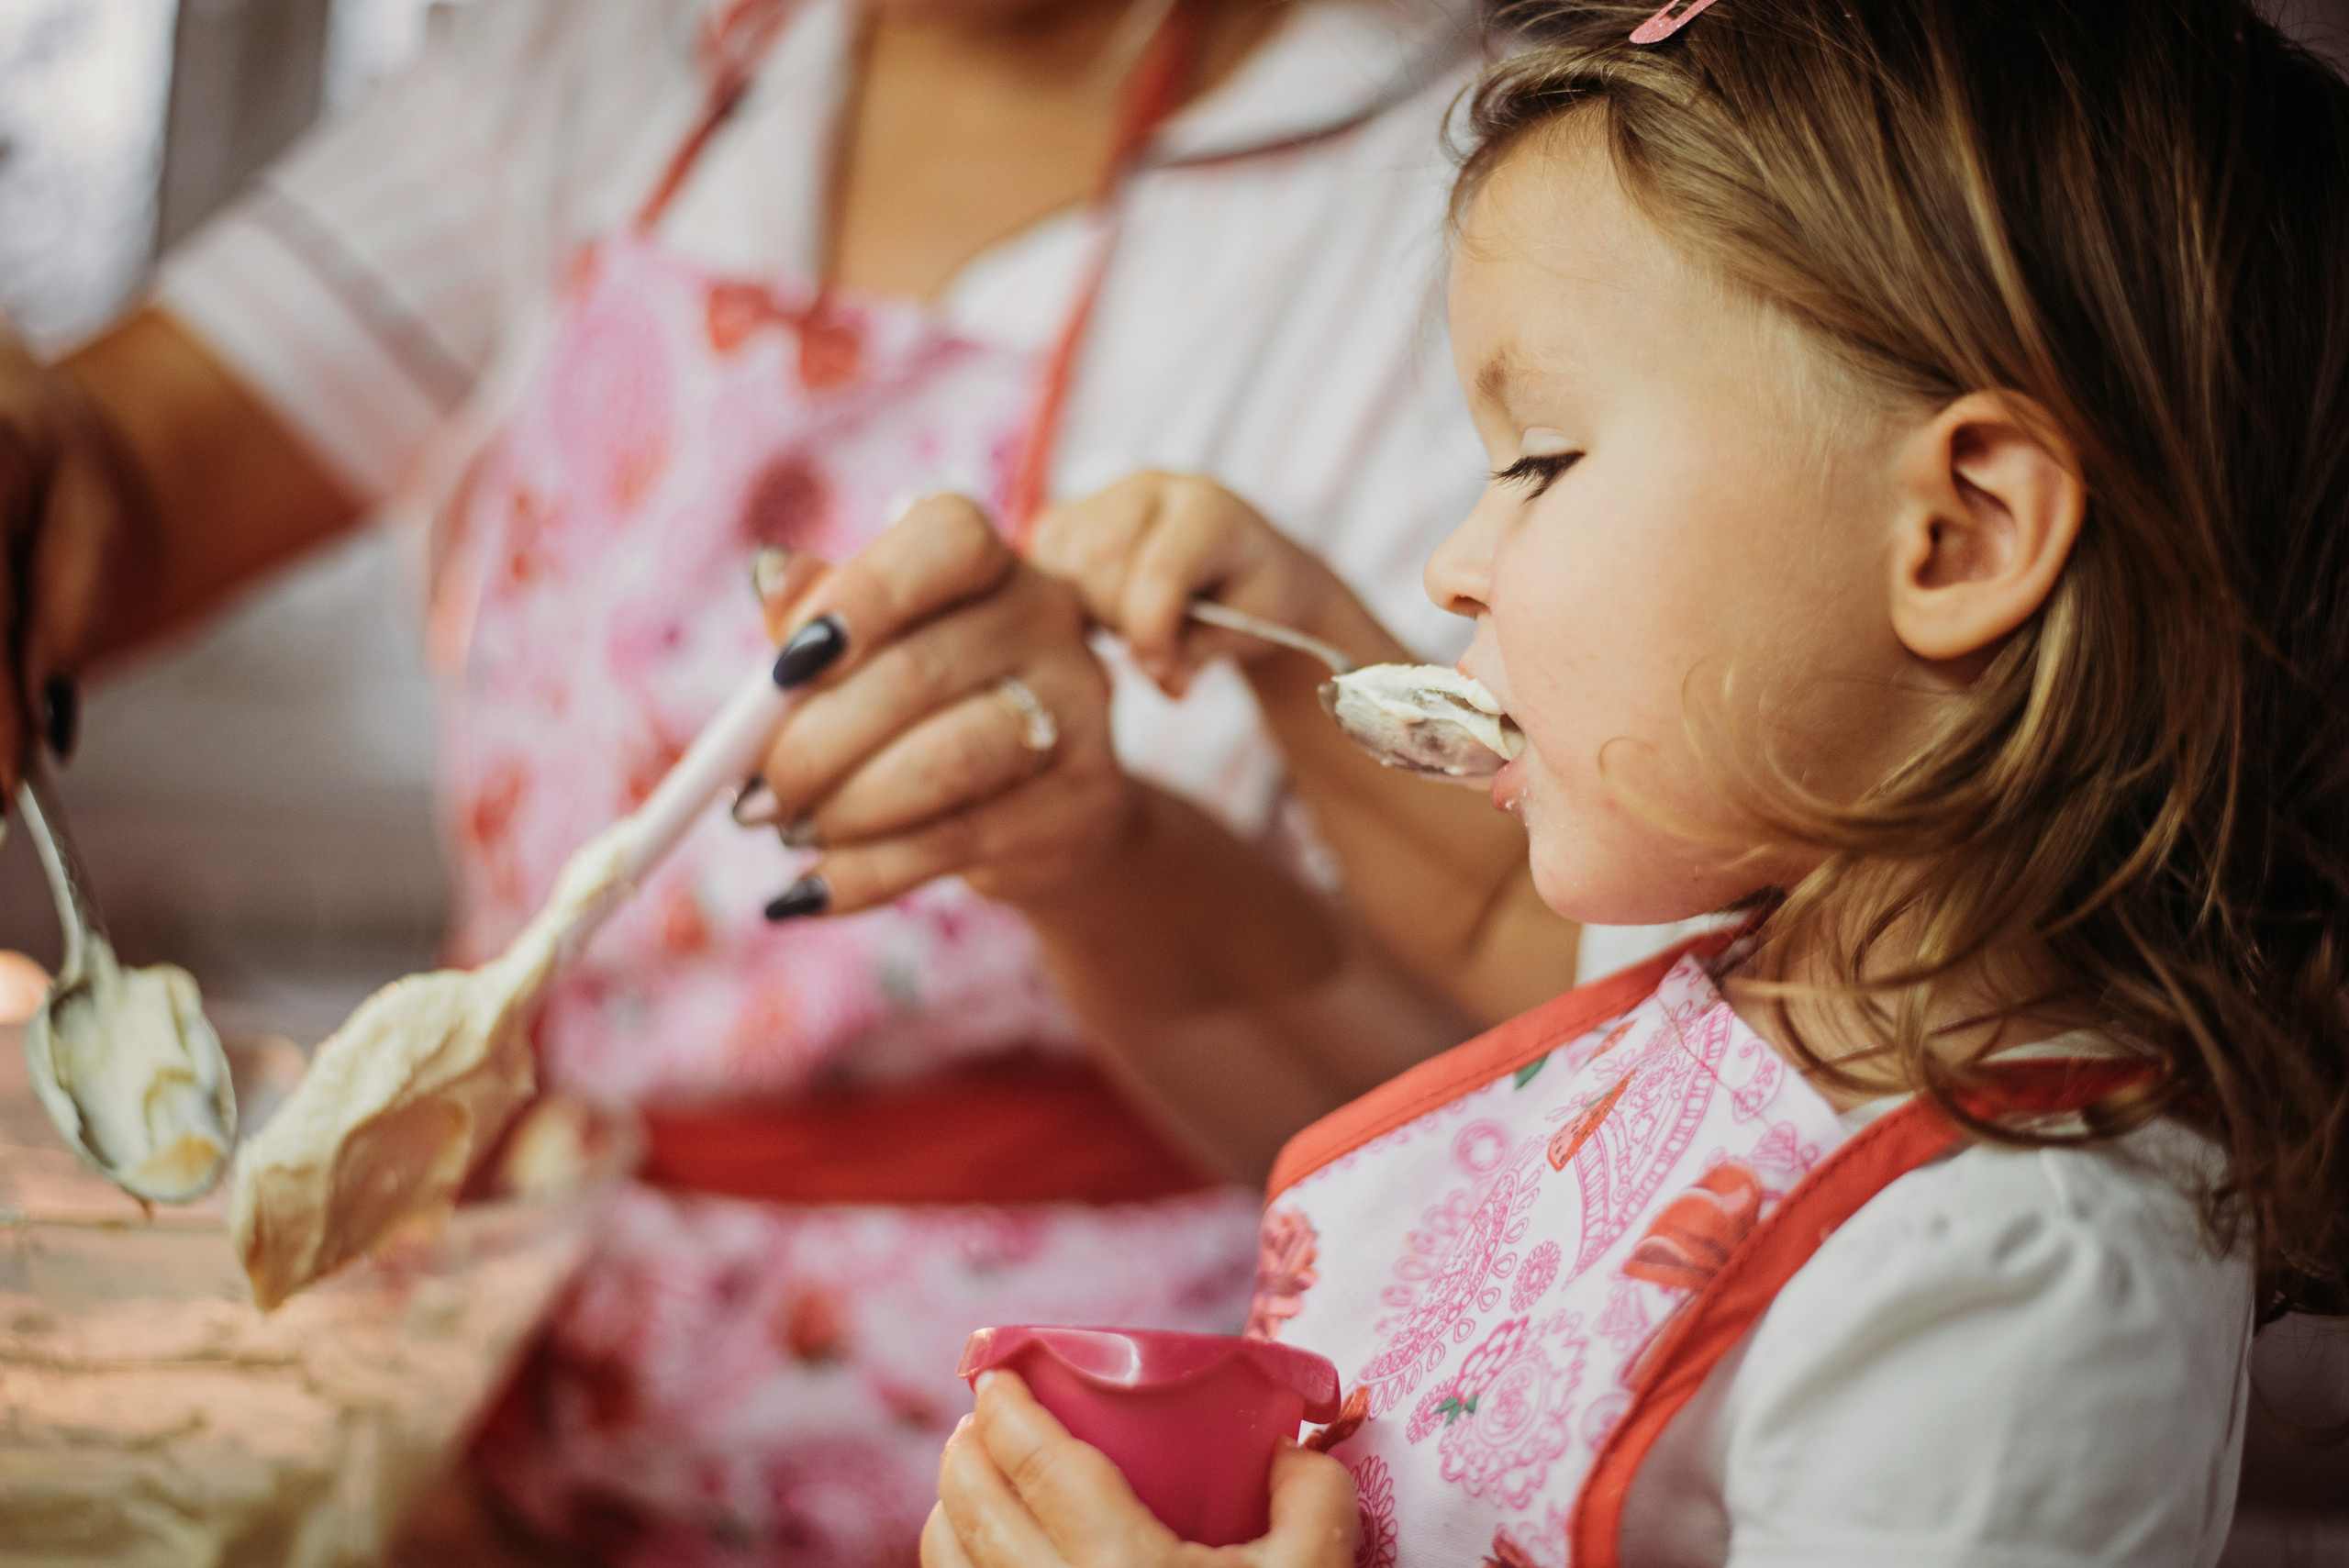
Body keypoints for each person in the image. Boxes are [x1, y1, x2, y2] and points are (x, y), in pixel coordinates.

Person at [0, 0, 1590, 1558]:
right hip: (493, 1378)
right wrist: (37, 457)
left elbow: (1512, 1083)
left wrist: (1089, 853)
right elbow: (120, 478)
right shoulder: (614, 48)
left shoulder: (1463, 174)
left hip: (1055, 1478)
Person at [912, 0, 2349, 1561]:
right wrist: (1292, 636)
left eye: (1540, 459)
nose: (1454, 566)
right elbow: (1474, 911)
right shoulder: (1781, 958)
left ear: (1957, 537)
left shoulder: (2015, 1280)